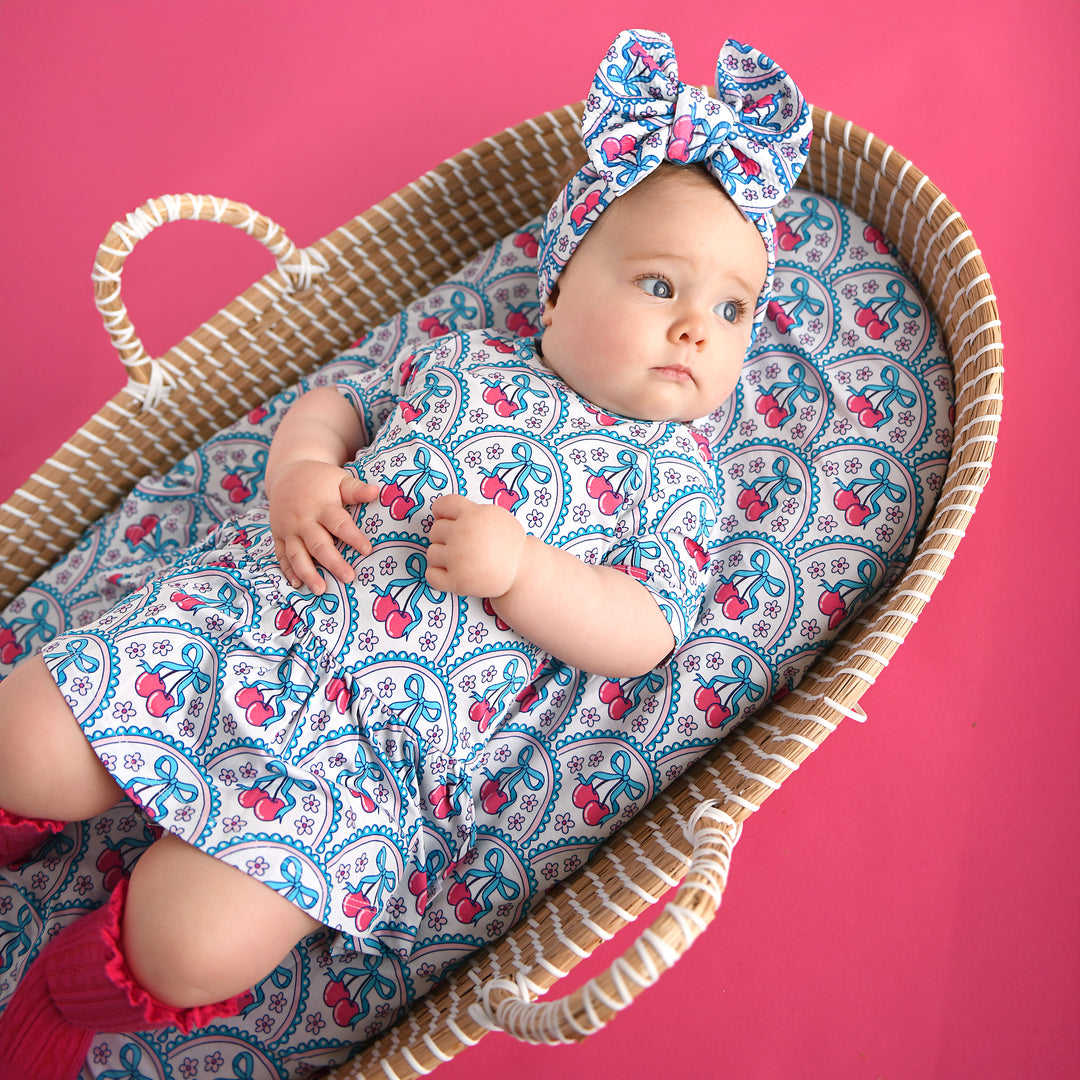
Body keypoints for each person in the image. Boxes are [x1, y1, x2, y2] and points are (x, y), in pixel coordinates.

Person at [0, 28, 809, 1078]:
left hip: (359, 753)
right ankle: (21, 813)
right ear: (559, 288)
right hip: (237, 623)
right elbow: (334, 405)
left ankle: (62, 999)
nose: (699, 327)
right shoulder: (466, 357)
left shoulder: (678, 481)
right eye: (660, 286)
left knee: (195, 943)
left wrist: (526, 573)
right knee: (22, 734)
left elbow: (645, 631)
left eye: (734, 308)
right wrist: (300, 473)